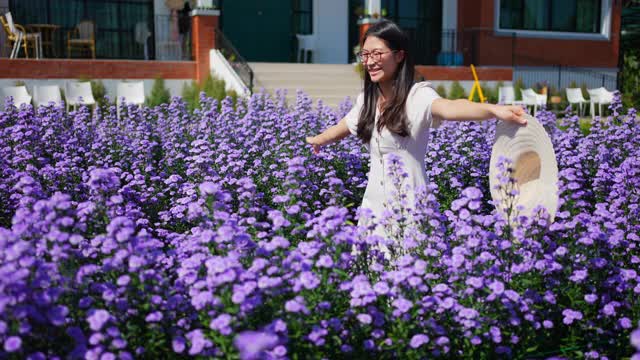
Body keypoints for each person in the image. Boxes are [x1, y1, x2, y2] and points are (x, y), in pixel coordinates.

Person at [305, 19, 527, 258]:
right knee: (370, 277)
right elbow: (344, 126)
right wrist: (318, 140)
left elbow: (451, 107)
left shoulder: (417, 95)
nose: (369, 61)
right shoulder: (368, 100)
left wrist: (493, 110)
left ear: (399, 55)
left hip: (410, 207)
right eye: (365, 54)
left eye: (377, 53)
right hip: (373, 208)